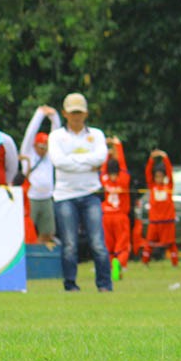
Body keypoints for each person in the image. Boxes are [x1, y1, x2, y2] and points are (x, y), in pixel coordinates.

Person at [48, 93, 112, 292]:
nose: (76, 116)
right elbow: (58, 161)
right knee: (69, 244)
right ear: (65, 113)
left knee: (98, 243)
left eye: (79, 112)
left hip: (91, 193)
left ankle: (104, 285)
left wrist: (72, 161)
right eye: (72, 112)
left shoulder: (97, 134)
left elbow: (101, 158)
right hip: (64, 195)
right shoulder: (56, 136)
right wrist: (87, 162)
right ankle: (70, 285)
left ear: (86, 113)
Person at [21, 105, 62, 244]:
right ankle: (28, 257)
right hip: (31, 198)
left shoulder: (49, 156)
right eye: (41, 147)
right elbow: (30, 133)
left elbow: (56, 134)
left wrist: (54, 116)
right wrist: (39, 114)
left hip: (47, 198)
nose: (44, 150)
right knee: (27, 231)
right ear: (35, 145)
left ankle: (39, 255)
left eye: (46, 147)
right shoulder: (28, 153)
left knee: (48, 232)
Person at [100, 136, 132, 280]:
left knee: (109, 245)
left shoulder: (105, 179)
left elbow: (102, 168)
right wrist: (118, 145)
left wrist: (107, 152)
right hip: (120, 216)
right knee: (123, 246)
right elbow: (123, 165)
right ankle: (119, 263)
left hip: (106, 215)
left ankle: (111, 268)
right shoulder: (123, 179)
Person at [143, 149, 180, 268]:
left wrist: (165, 157)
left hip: (167, 220)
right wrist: (151, 159)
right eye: (156, 176)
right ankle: (145, 262)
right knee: (149, 243)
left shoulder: (168, 186)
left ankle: (174, 264)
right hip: (154, 221)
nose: (158, 178)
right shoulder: (152, 186)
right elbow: (147, 173)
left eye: (161, 176)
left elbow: (170, 172)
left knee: (171, 243)